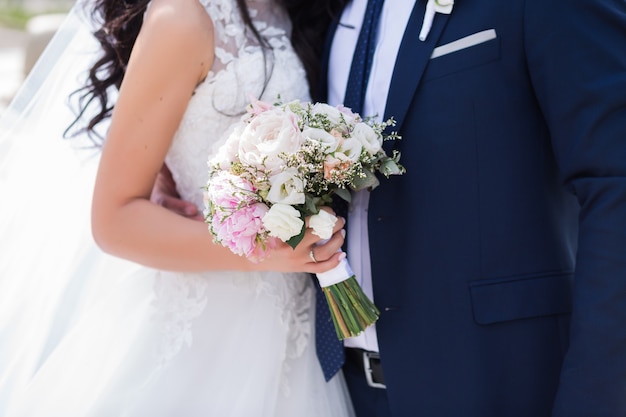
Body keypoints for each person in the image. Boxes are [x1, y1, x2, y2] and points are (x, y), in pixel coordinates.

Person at [156, 0, 626, 415]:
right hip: (335, 388)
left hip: (498, 379)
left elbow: (614, 184)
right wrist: (164, 168)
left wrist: (598, 398)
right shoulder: (322, 12)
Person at [0, 0, 357, 415]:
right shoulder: (182, 18)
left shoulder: (286, 11)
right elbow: (113, 219)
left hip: (290, 327)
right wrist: (264, 250)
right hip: (205, 324)